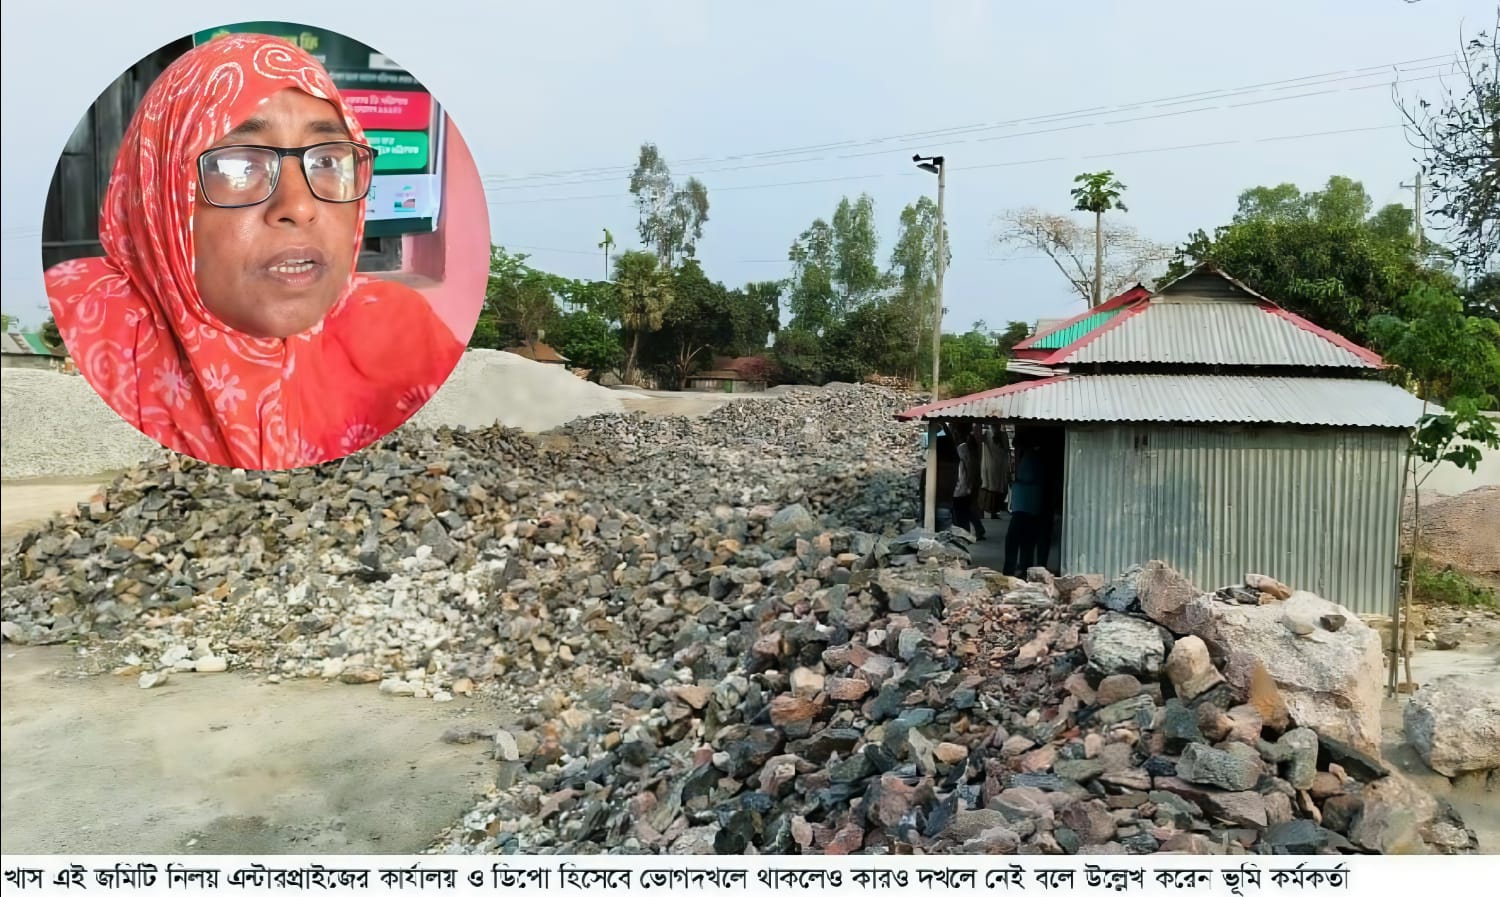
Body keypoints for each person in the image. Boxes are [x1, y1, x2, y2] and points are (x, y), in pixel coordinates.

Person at [43, 33, 465, 471]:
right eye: (240, 164)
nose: (300, 206)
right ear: (161, 192)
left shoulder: (402, 333)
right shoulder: (82, 325)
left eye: (325, 161)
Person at [1004, 432, 1046, 576]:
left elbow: (1028, 479)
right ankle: (1024, 571)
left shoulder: (1029, 459)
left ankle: (1009, 571)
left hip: (1024, 506)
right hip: (1030, 507)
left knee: (1012, 541)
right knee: (1026, 542)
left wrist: (1015, 483)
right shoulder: (1032, 458)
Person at [951, 422, 986, 539]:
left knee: (962, 511)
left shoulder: (963, 448)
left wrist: (970, 483)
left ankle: (965, 533)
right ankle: (976, 530)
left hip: (962, 485)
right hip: (964, 484)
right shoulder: (964, 446)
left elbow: (969, 467)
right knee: (967, 509)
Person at [979, 424, 1011, 519]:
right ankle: (994, 511)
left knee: (990, 487)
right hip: (998, 466)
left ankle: (991, 511)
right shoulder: (998, 435)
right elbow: (1007, 449)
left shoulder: (989, 434)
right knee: (996, 488)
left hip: (993, 465)